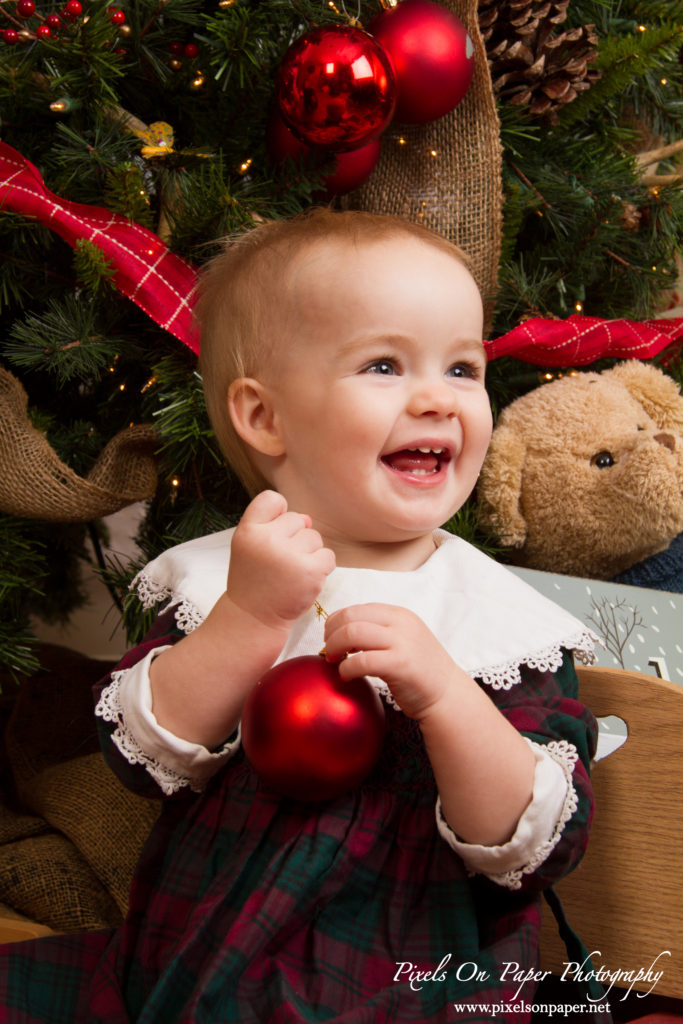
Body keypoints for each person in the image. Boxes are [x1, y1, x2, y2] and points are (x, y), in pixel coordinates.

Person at [0, 209, 607, 1023]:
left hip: (413, 973)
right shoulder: (230, 576)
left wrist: (446, 696)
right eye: (385, 364)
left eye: (463, 369)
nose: (437, 397)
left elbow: (531, 849)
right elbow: (144, 756)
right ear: (265, 418)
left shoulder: (498, 622)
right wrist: (249, 617)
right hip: (210, 944)